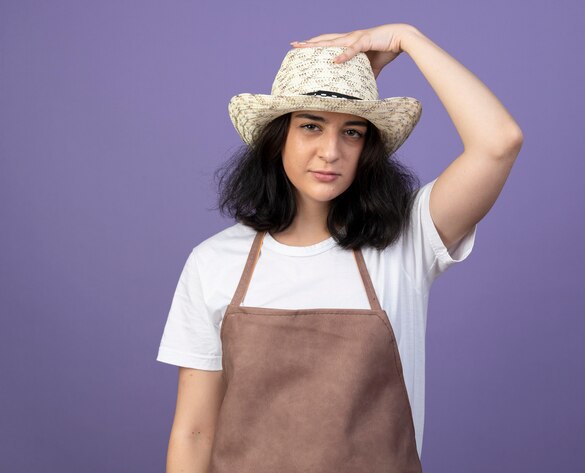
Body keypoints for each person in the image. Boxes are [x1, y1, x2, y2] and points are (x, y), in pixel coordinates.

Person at [156, 23, 523, 472]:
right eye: (311, 126)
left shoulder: (407, 238)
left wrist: (408, 38)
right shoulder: (213, 262)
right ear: (277, 138)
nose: (331, 151)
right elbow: (195, 432)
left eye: (352, 132)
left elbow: (498, 143)